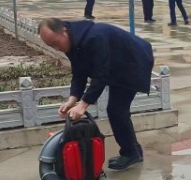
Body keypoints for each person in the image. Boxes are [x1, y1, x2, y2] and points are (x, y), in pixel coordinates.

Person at [38, 17, 154, 171]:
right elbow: (79, 73)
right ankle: (134, 150)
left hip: (133, 62)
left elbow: (101, 75)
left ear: (64, 31)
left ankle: (131, 152)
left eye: (56, 43)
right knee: (118, 110)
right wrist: (72, 100)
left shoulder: (95, 37)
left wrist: (83, 105)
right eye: (51, 46)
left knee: (116, 109)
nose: (56, 48)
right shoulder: (73, 43)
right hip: (118, 64)